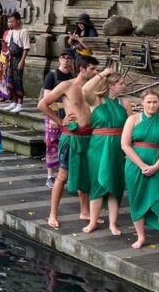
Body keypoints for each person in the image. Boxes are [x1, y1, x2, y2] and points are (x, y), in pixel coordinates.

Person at [38, 55, 100, 229]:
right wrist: (59, 121)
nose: (96, 72)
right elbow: (42, 104)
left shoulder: (94, 89)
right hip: (71, 137)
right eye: (92, 69)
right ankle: (52, 215)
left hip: (88, 137)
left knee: (85, 174)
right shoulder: (67, 86)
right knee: (62, 176)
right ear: (82, 69)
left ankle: (85, 211)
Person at [121, 90, 159, 254]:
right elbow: (125, 145)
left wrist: (156, 166)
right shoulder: (133, 120)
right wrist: (141, 165)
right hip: (135, 166)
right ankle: (141, 237)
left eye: (155, 102)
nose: (152, 105)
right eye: (149, 102)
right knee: (137, 198)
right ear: (142, 103)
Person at [82, 67, 129, 235]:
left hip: (117, 145)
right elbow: (85, 89)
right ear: (111, 85)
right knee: (97, 182)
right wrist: (103, 74)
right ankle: (93, 221)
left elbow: (130, 127)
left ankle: (113, 224)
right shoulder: (96, 101)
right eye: (121, 83)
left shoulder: (125, 103)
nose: (124, 86)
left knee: (115, 184)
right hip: (98, 145)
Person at [41, 49, 77, 189]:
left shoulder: (73, 77)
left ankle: (65, 173)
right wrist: (54, 118)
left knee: (68, 145)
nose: (66, 60)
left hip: (69, 115)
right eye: (63, 57)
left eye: (69, 58)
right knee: (52, 144)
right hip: (54, 114)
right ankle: (50, 175)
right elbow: (47, 98)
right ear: (59, 59)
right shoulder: (52, 75)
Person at [0, 12, 30, 113]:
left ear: (18, 21)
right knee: (9, 81)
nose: (10, 23)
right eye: (9, 22)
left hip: (18, 58)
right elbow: (7, 46)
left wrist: (22, 61)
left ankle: (20, 103)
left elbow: (26, 48)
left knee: (17, 81)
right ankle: (13, 101)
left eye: (12, 21)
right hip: (10, 58)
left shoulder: (23, 32)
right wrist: (4, 45)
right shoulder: (11, 32)